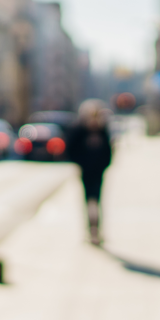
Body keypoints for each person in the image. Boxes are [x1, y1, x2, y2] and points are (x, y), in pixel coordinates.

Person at [66, 99, 113, 245]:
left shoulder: (102, 130)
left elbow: (109, 151)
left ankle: (96, 229)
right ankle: (90, 229)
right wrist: (81, 164)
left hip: (98, 171)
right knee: (88, 200)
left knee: (96, 200)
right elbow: (71, 149)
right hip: (86, 171)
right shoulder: (80, 130)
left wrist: (103, 165)